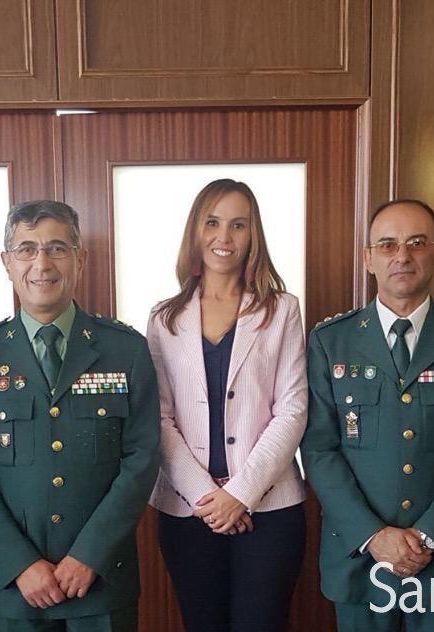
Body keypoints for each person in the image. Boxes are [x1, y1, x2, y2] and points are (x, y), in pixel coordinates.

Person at [0, 200, 159, 631]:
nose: (41, 263)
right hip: (19, 585)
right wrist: (20, 562)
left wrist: (90, 554)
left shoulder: (126, 349)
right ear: (7, 263)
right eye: (26, 249)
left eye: (57, 248)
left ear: (80, 259)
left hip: (101, 577)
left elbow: (142, 459)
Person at [301, 199, 434, 631]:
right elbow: (318, 448)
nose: (402, 256)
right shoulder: (331, 342)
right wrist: (375, 537)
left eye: (416, 243)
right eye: (387, 245)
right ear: (368, 258)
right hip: (359, 557)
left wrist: (425, 536)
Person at [144, 179, 307, 631]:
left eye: (239, 224)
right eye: (213, 222)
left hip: (269, 508)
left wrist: (240, 494)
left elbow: (292, 410)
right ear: (196, 230)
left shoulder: (282, 310)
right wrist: (206, 496)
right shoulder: (164, 317)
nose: (225, 237)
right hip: (188, 510)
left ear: (253, 234)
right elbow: (158, 418)